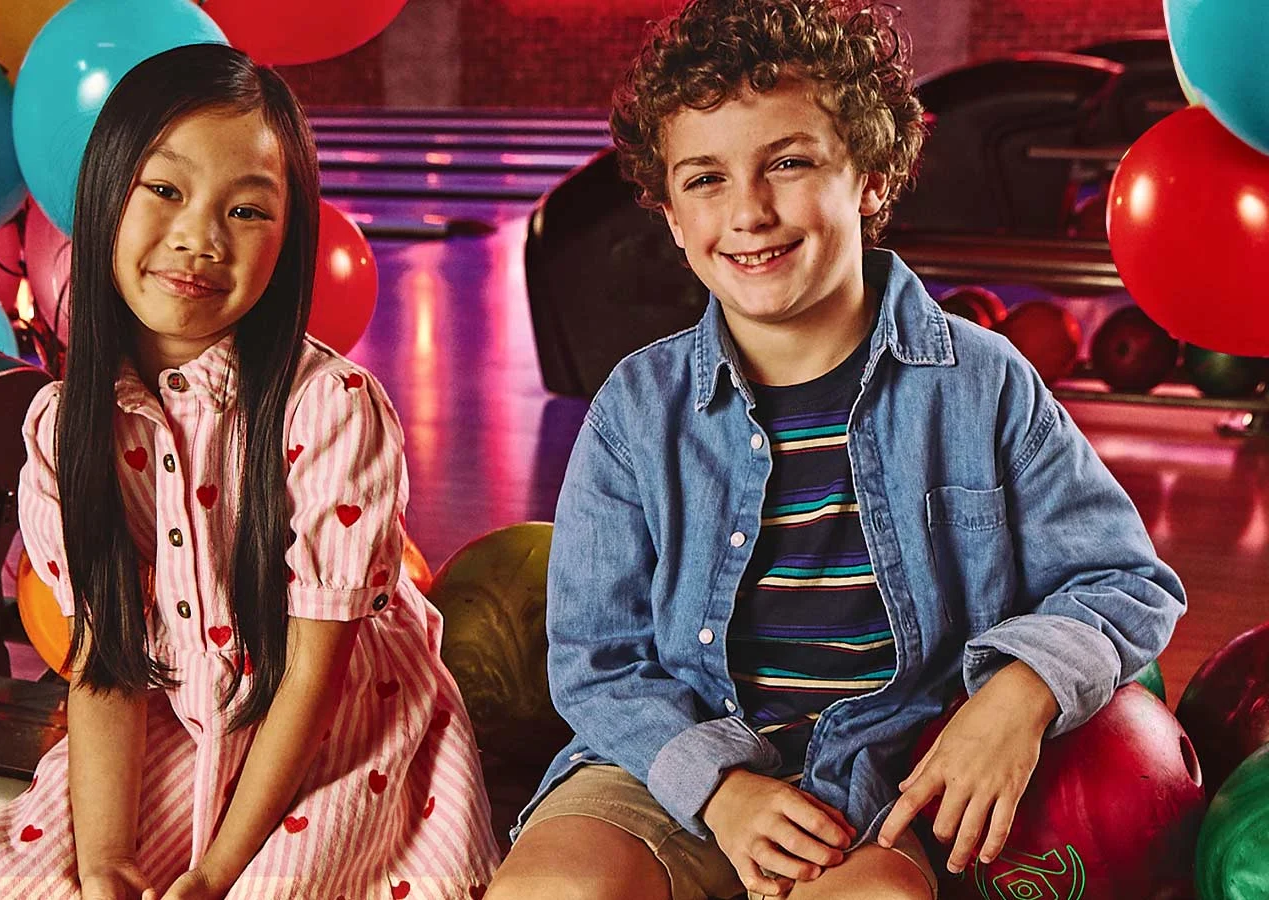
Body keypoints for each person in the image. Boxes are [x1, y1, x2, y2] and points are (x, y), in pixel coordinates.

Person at [486, 2, 1185, 899]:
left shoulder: (981, 384)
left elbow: (1125, 581)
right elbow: (597, 659)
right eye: (705, 178)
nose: (748, 210)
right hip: (668, 773)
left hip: (872, 789)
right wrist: (722, 792)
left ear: (871, 172)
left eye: (789, 162)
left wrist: (1019, 691)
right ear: (667, 212)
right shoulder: (636, 409)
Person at [0, 43, 500, 900]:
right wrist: (105, 860)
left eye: (247, 210)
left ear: (291, 235)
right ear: (104, 197)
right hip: (169, 721)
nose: (199, 238)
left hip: (339, 735)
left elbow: (315, 681)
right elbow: (106, 665)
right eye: (165, 190)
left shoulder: (329, 409)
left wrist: (214, 871)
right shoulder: (68, 429)